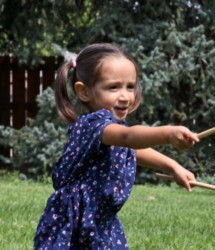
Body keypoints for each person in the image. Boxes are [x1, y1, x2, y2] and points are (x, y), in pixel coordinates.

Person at [34, 43, 199, 249]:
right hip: (74, 220)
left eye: (130, 87)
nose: (125, 96)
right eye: (113, 87)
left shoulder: (113, 128)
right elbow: (128, 138)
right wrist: (168, 133)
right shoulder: (93, 125)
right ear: (84, 92)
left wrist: (173, 166)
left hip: (101, 218)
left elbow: (132, 149)